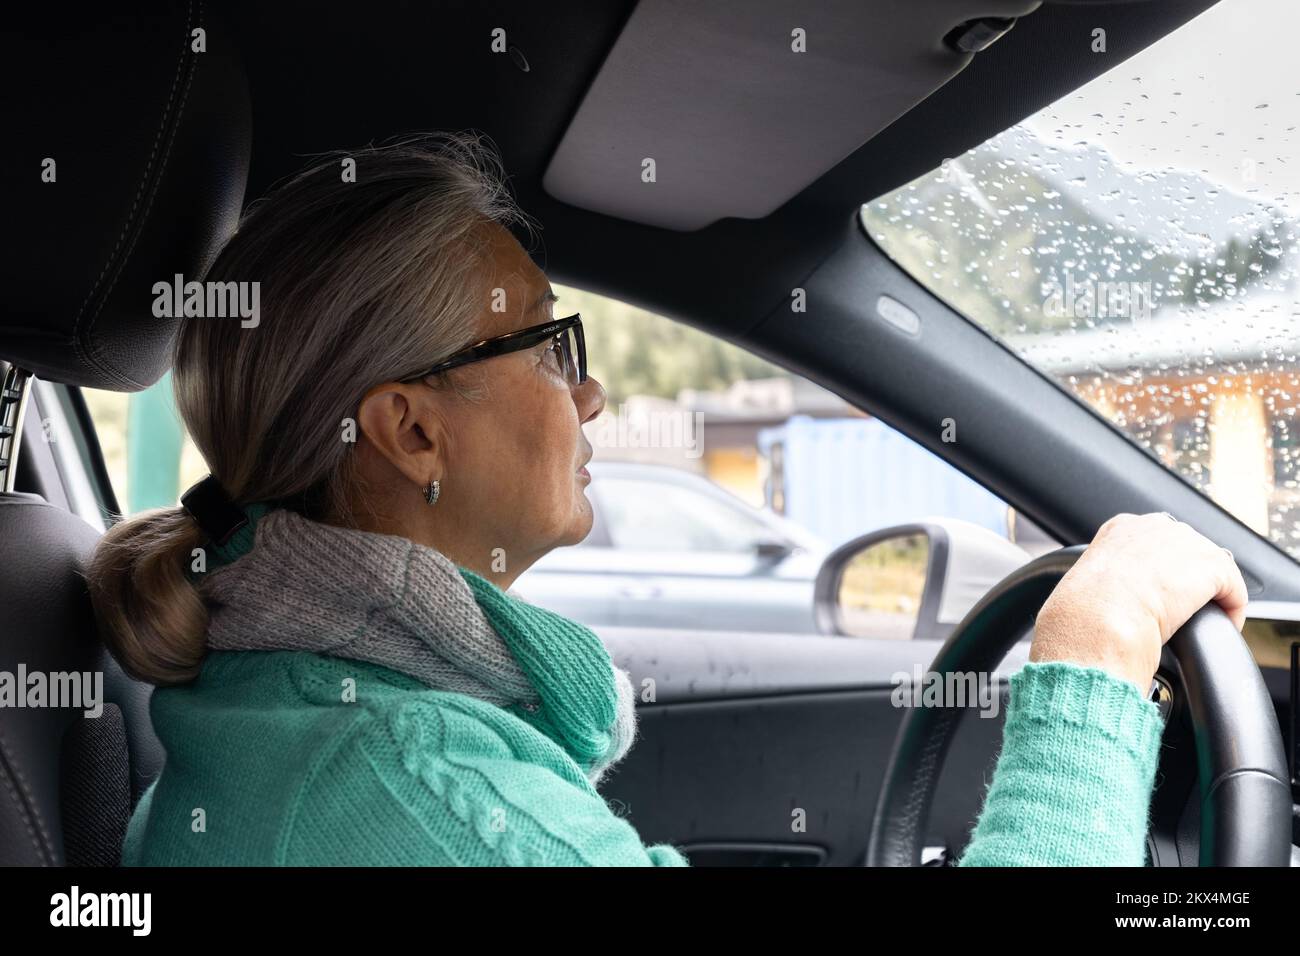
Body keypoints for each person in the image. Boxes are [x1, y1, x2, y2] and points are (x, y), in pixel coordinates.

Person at [86, 133, 1247, 866]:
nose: (588, 393)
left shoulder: (290, 715)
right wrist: (1090, 659)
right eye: (549, 345)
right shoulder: (418, 789)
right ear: (411, 427)